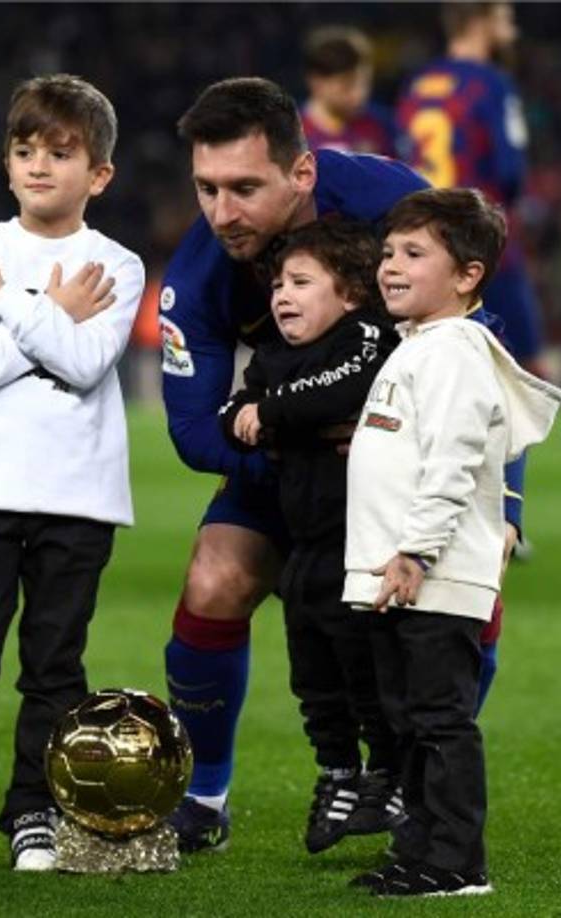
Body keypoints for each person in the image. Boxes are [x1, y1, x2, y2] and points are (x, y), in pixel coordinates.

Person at [160, 76, 428, 853]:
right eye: (206, 189)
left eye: (245, 187)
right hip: (294, 461)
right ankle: (204, 800)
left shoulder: (390, 204)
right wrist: (307, 446)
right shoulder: (198, 273)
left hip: (411, 460)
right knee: (215, 578)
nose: (221, 212)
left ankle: (418, 784)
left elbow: (483, 325)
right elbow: (192, 433)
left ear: (302, 173)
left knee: (466, 588)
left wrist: (498, 499)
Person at [0, 74, 145, 874]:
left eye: (61, 152)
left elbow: (84, 363)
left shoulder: (117, 264)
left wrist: (7, 301)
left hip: (77, 495)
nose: (39, 165)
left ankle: (32, 815)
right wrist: (46, 311)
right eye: (24, 150)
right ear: (7, 166)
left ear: (99, 173)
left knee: (54, 668)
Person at [343, 187, 561, 897]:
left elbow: (456, 458)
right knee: (409, 724)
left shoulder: (454, 353)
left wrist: (416, 550)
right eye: (387, 253)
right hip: (401, 575)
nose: (391, 267)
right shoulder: (420, 349)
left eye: (414, 253)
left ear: (468, 275)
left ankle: (456, 862)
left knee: (439, 721)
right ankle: (420, 850)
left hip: (429, 574)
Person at [220, 218, 404, 854]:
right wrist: (273, 414)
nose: (281, 295)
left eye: (300, 281)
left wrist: (271, 415)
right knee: (312, 672)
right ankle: (337, 772)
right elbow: (229, 412)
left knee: (367, 667)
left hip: (366, 547)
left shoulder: (368, 336)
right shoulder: (275, 354)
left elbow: (340, 390)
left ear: (350, 294)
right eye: (276, 284)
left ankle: (387, 773)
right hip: (305, 544)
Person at [396, 2, 547, 377]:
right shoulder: (491, 83)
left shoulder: (416, 84)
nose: (513, 29)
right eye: (505, 19)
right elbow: (510, 170)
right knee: (525, 365)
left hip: (424, 240)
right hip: (480, 235)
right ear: (481, 22)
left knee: (435, 362)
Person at [301, 25, 397, 157]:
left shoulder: (383, 126)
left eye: (365, 83)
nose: (359, 94)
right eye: (346, 87)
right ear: (317, 83)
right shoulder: (292, 136)